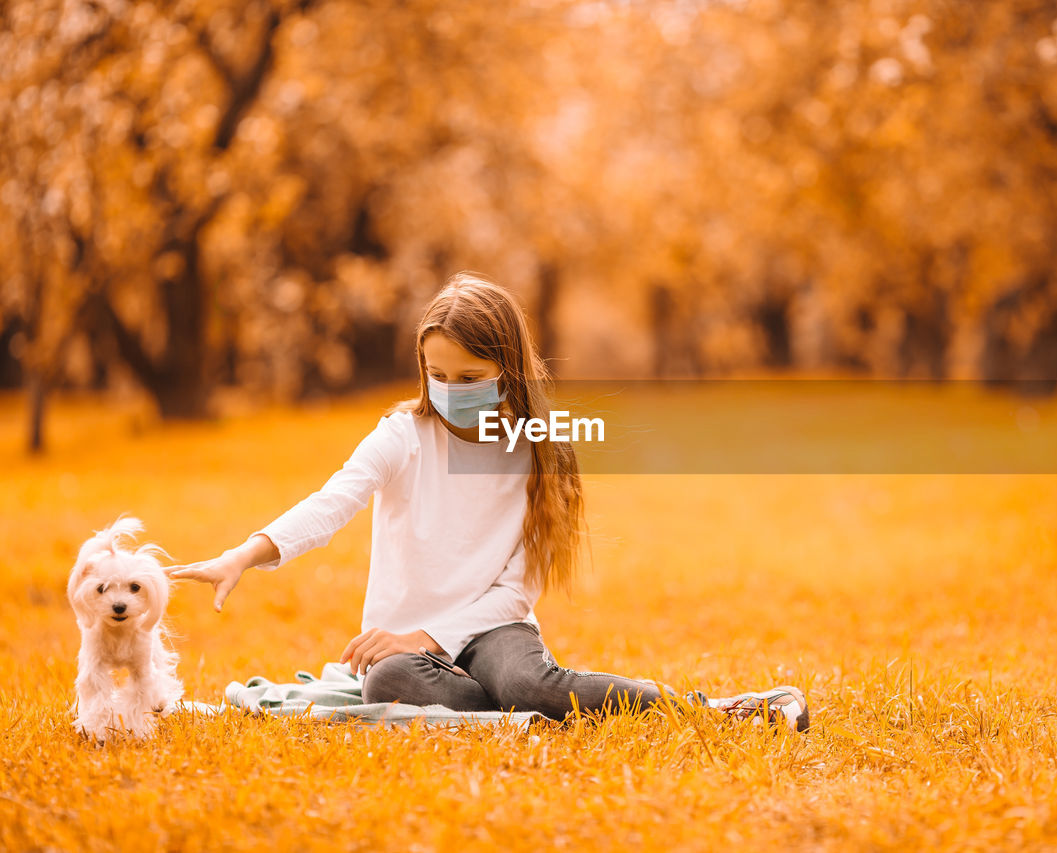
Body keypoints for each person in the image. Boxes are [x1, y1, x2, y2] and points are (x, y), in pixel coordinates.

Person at [166, 272, 809, 732]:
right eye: (437, 376)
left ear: (508, 370)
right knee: (386, 681)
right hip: (412, 650)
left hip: (491, 628)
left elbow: (516, 592)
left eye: (470, 378)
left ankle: (720, 710)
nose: (451, 392)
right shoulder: (403, 435)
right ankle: (527, 719)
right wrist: (246, 554)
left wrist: (436, 633)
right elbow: (333, 501)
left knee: (526, 679)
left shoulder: (541, 451)